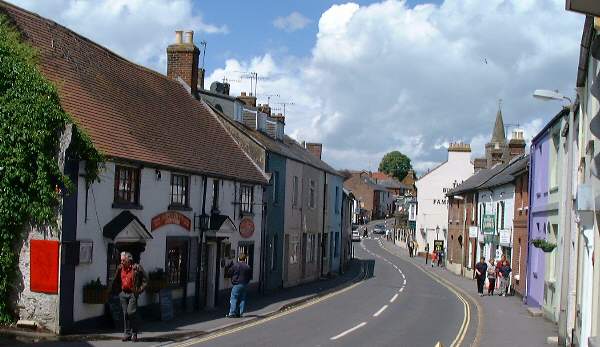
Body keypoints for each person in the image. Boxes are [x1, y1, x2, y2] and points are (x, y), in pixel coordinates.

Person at [111, 251, 147, 342]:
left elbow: (145, 280)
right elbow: (115, 280)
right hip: (123, 293)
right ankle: (127, 334)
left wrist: (139, 290)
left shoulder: (136, 268)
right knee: (125, 314)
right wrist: (118, 291)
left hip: (132, 293)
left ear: (129, 260)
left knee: (131, 312)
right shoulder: (120, 268)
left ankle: (134, 333)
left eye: (123, 260)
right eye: (121, 260)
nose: (121, 262)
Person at [226, 253, 253, 318]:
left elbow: (229, 272)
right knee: (242, 299)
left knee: (234, 298)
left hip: (237, 284)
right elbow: (250, 276)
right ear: (245, 259)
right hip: (244, 284)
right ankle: (240, 313)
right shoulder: (248, 267)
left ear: (239, 258)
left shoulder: (236, 265)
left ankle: (232, 313)